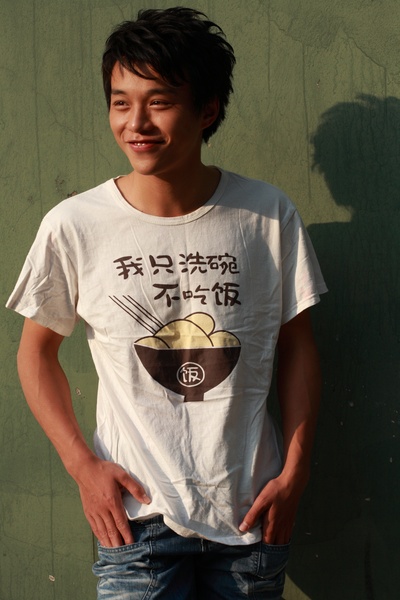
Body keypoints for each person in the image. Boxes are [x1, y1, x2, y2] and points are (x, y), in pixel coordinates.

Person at [7, 7, 327, 599]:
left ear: (207, 110)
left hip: (250, 515)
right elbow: (35, 354)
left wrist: (296, 471)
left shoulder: (267, 214)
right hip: (137, 518)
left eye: (159, 102)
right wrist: (82, 466)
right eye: (120, 102)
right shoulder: (75, 224)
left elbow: (298, 346)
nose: (136, 123)